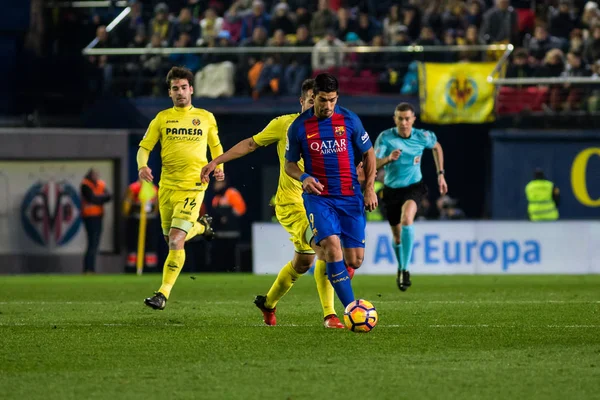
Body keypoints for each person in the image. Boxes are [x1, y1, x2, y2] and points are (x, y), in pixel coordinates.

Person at [201, 79, 346, 328]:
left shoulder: (333, 129)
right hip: (292, 205)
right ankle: (330, 315)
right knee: (326, 245)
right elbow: (250, 144)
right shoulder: (284, 124)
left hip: (320, 203)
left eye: (322, 101)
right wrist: (216, 161)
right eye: (312, 100)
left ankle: (267, 303)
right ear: (302, 102)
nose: (317, 106)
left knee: (303, 263)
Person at [284, 73, 378, 309]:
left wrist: (369, 189)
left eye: (332, 100)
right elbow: (289, 164)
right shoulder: (298, 127)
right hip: (320, 199)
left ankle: (339, 279)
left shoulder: (349, 120)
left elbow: (369, 153)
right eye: (323, 100)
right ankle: (351, 309)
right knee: (331, 246)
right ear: (313, 97)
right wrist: (303, 177)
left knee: (355, 260)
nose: (328, 106)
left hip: (349, 195)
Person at [138, 66, 222, 310]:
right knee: (170, 240)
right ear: (170, 92)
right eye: (175, 88)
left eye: (184, 87)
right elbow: (144, 147)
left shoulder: (205, 117)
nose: (180, 92)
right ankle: (201, 226)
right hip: (167, 188)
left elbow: (216, 146)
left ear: (191, 89)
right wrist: (142, 166)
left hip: (194, 186)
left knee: (176, 240)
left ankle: (162, 294)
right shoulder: (162, 118)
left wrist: (218, 165)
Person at [374, 102, 448, 292]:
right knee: (397, 237)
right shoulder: (386, 138)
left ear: (413, 119)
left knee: (407, 219)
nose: (404, 123)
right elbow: (374, 164)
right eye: (400, 119)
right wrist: (388, 159)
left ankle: (405, 269)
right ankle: (401, 266)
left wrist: (441, 174)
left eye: (407, 119)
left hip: (414, 187)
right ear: (395, 119)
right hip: (391, 190)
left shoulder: (422, 136)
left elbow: (437, 147)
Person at [122, 180, 159, 271]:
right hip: (139, 220)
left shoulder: (152, 189)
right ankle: (137, 267)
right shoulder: (136, 188)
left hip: (144, 221)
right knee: (137, 245)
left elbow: (126, 206)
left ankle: (146, 268)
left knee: (146, 245)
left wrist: (126, 214)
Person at [80, 168, 112, 274]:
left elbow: (109, 196)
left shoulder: (100, 184)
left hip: (98, 216)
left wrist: (98, 198)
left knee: (95, 243)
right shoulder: (85, 184)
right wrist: (100, 198)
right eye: (94, 174)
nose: (96, 176)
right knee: (92, 243)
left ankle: (91, 268)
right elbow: (91, 198)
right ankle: (88, 268)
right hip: (89, 217)